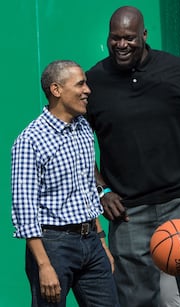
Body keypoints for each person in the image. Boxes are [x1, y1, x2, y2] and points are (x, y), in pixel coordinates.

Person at [85, 6, 180, 307]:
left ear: (144, 35)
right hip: (128, 211)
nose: (121, 45)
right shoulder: (93, 81)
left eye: (129, 38)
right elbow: (78, 148)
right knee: (136, 299)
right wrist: (102, 190)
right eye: (115, 38)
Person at [11, 60, 119, 306]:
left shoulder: (83, 128)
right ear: (56, 90)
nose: (87, 90)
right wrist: (44, 265)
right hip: (53, 246)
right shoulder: (31, 140)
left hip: (91, 241)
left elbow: (87, 191)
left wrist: (101, 242)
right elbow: (25, 210)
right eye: (80, 84)